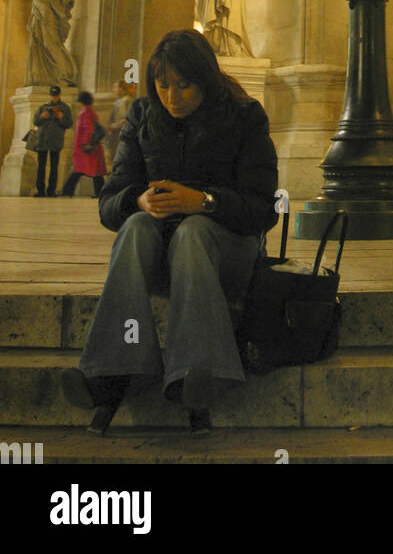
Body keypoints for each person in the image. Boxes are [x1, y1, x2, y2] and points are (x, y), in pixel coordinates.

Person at [61, 29, 278, 436]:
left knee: (194, 231)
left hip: (225, 255)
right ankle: (112, 370)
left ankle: (198, 374)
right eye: (163, 86)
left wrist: (204, 201)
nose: (173, 98)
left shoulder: (245, 116)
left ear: (206, 80)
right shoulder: (143, 117)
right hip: (161, 254)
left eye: (184, 85)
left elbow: (263, 210)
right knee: (136, 228)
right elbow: (109, 204)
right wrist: (136, 200)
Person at [61, 92, 107, 198]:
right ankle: (100, 192)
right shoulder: (92, 111)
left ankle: (67, 191)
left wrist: (86, 143)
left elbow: (88, 129)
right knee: (95, 172)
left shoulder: (84, 112)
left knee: (79, 170)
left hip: (84, 147)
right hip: (92, 146)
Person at [31, 84, 73, 197]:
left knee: (54, 166)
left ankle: (51, 190)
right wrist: (43, 117)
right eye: (52, 95)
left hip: (55, 140)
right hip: (42, 140)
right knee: (41, 166)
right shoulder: (43, 107)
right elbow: (35, 121)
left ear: (59, 95)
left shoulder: (64, 108)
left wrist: (61, 117)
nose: (54, 97)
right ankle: (40, 190)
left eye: (56, 95)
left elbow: (69, 124)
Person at [106, 80, 136, 162]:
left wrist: (114, 126)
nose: (114, 90)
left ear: (122, 89)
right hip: (117, 132)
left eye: (116, 87)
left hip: (121, 132)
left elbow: (126, 118)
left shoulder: (125, 100)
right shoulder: (119, 101)